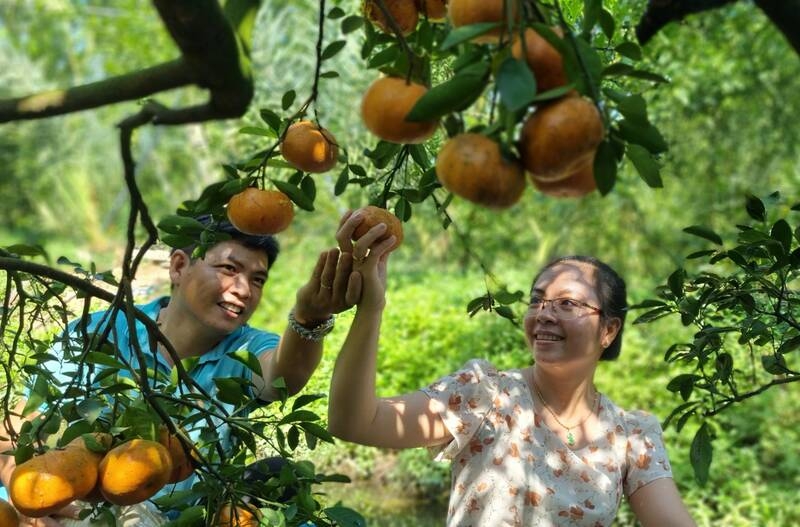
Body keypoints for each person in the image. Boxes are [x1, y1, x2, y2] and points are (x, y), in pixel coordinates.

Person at [327, 212, 697, 527]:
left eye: (567, 303)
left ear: (609, 330)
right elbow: (355, 421)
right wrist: (371, 306)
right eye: (537, 300)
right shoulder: (484, 395)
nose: (545, 314)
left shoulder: (632, 436)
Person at [0, 216, 361, 526]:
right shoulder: (96, 333)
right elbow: (14, 432)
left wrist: (309, 318)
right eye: (229, 269)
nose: (243, 290)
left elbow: (284, 378)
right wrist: (31, 503)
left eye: (257, 280)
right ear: (178, 267)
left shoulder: (248, 351)